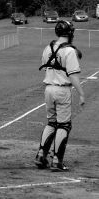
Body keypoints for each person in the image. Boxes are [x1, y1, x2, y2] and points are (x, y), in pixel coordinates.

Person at [35, 20, 85, 171]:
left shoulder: (47, 48)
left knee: (51, 123)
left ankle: (41, 156)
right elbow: (73, 76)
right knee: (64, 125)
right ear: (69, 33)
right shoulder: (69, 51)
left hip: (48, 89)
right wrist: (81, 94)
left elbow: (47, 68)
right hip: (62, 90)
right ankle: (57, 160)